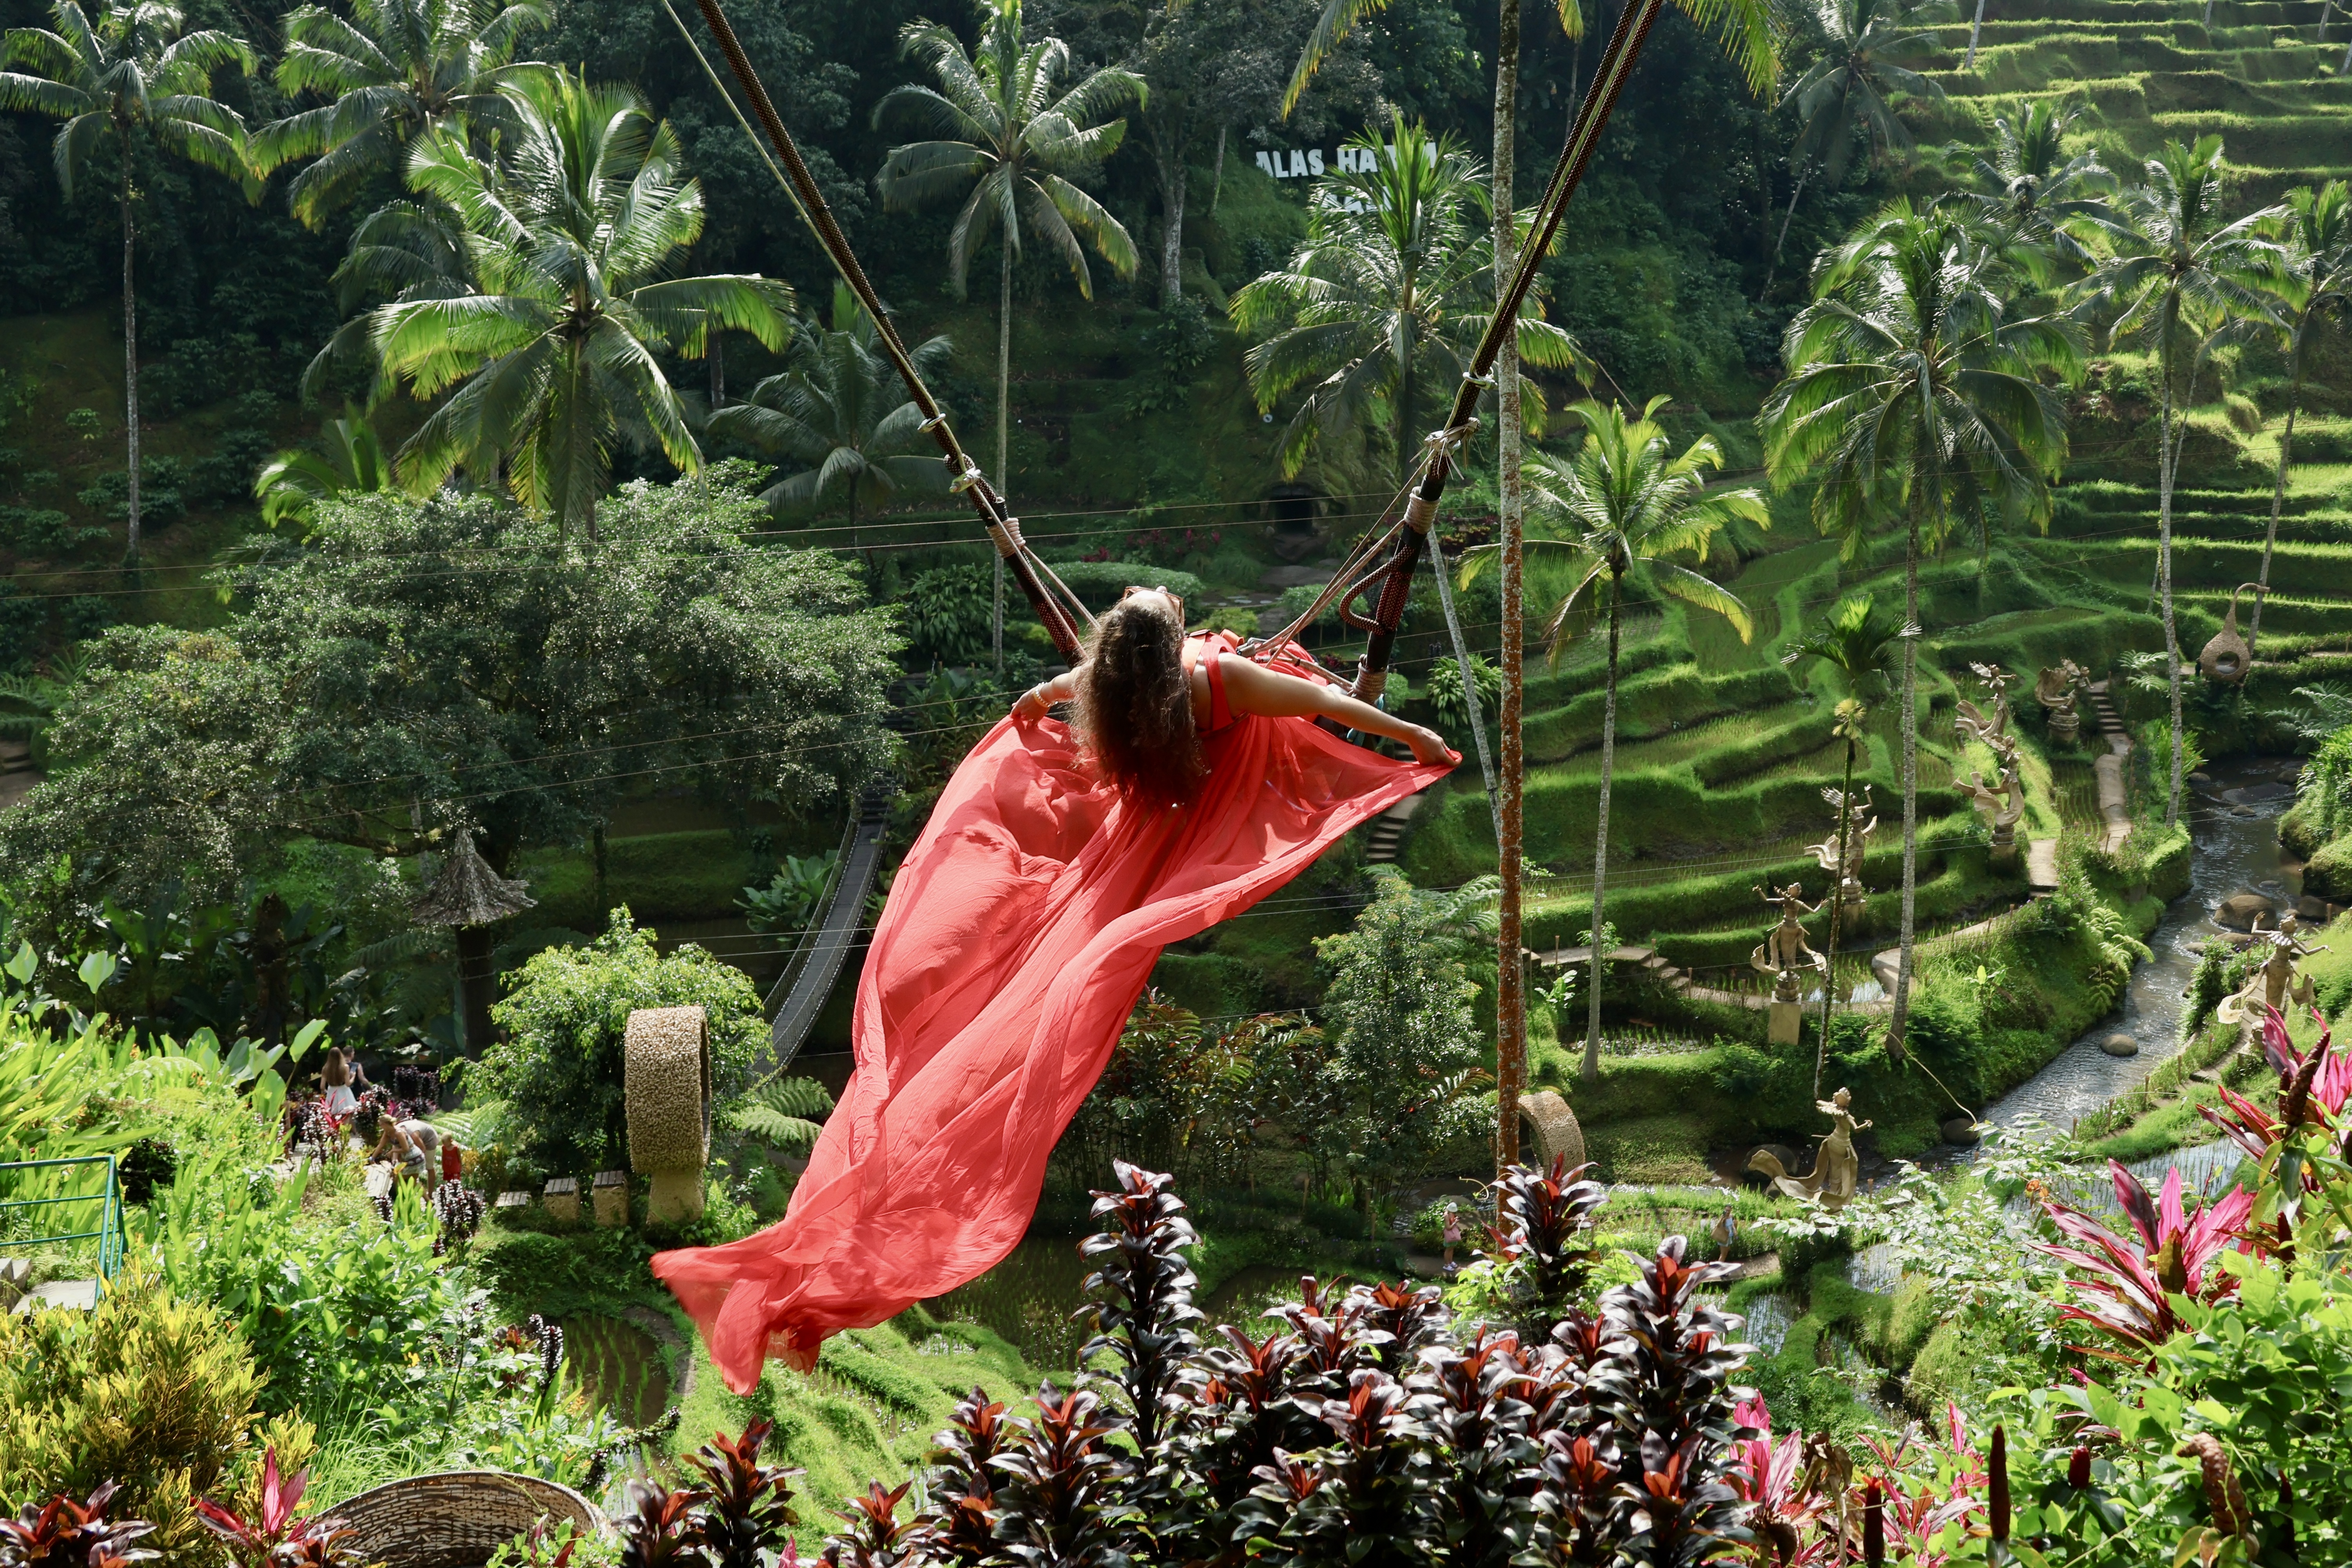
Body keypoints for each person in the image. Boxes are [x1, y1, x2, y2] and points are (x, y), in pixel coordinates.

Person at [656, 588, 1456, 1390]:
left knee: (1032, 964)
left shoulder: (1102, 686)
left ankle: (810, 1260)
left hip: (1126, 835)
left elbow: (1030, 700)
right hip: (1181, 833)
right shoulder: (1220, 677)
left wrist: (1038, 717)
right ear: (1173, 640)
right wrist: (1416, 738)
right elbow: (1328, 701)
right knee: (1054, 983)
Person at [370, 1113, 442, 1191]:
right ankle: (423, 1198)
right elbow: (387, 1145)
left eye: (381, 1125)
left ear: (385, 1124)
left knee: (429, 1167)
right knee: (412, 1180)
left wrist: (416, 1162)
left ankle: (430, 1194)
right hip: (410, 1151)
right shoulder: (389, 1132)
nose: (380, 1128)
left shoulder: (405, 1134)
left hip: (428, 1140)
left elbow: (422, 1149)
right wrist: (372, 1158)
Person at [318, 1047, 368, 1118]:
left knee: (334, 1116)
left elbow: (322, 1087)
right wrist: (353, 1076)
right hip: (344, 1092)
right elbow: (348, 1084)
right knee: (349, 1115)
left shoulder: (325, 1068)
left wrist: (328, 1092)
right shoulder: (345, 1067)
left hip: (332, 1092)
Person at [1440, 1203, 1463, 1273]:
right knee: (1448, 1249)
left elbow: (1452, 1222)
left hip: (1453, 1235)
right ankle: (1446, 1265)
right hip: (1450, 1234)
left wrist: (1455, 1220)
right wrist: (1455, 1223)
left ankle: (1451, 1261)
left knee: (1452, 1248)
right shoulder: (1447, 1216)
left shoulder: (1451, 1214)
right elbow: (1448, 1227)